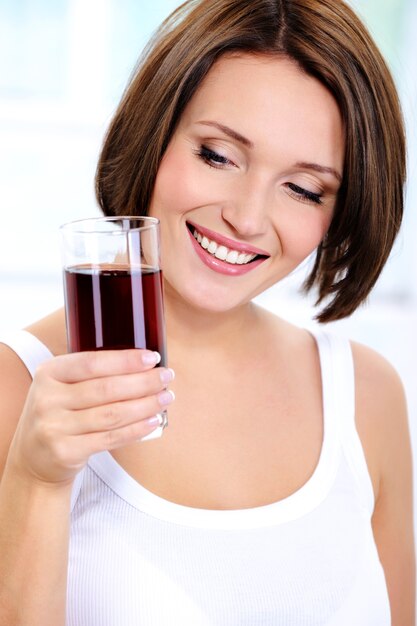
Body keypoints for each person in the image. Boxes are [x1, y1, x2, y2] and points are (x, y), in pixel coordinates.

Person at [0, 0, 414, 624]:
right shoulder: (17, 389)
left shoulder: (367, 395)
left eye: (304, 188)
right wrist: (38, 480)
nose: (247, 218)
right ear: (156, 133)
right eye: (218, 155)